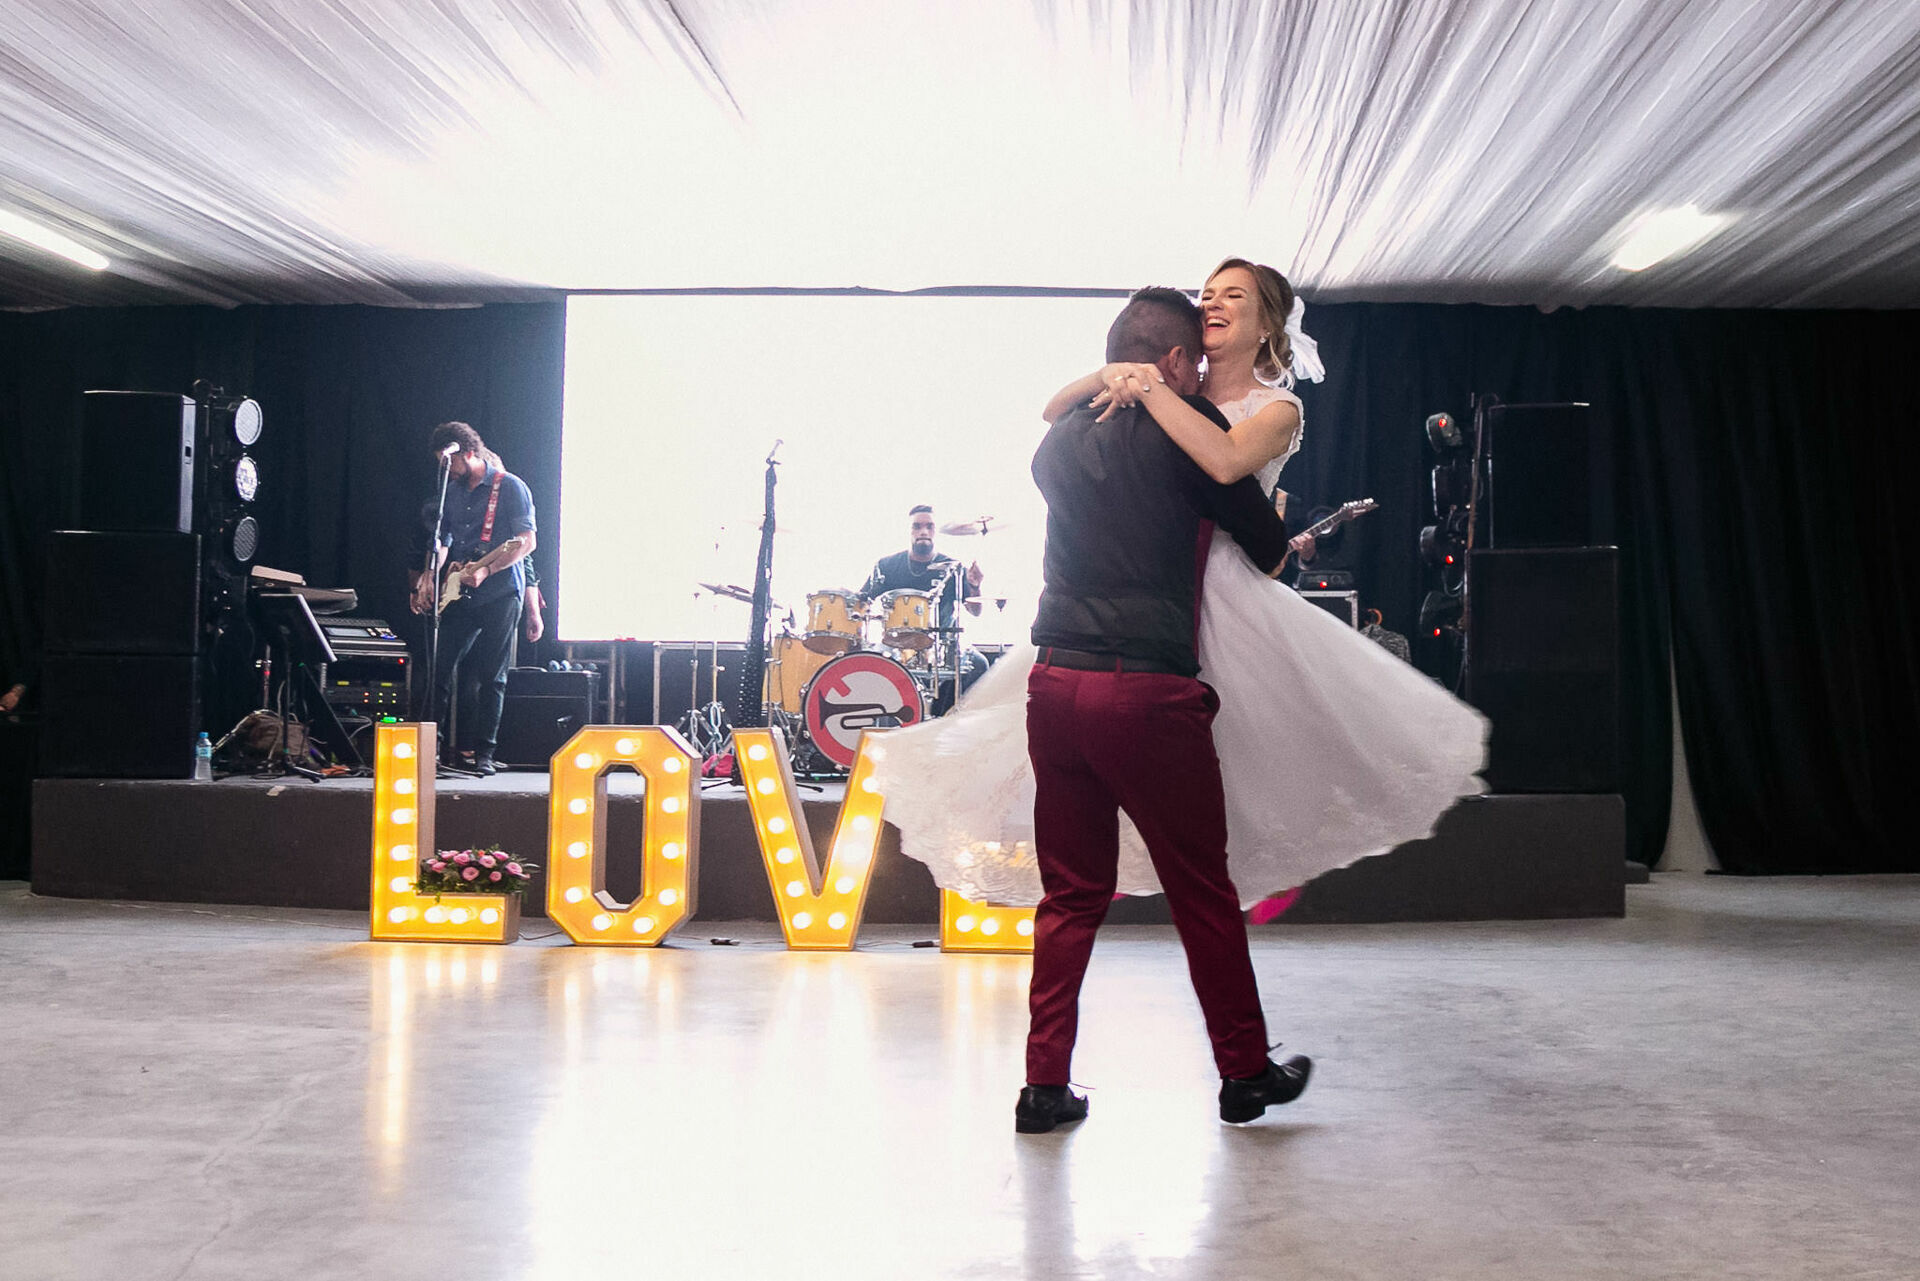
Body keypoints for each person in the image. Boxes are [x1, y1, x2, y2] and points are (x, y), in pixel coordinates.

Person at [869, 258, 1486, 922]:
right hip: (1148, 588)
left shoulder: (1275, 408)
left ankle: (1249, 870)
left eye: (1235, 297)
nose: (1215, 303)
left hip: (1225, 587)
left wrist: (1151, 387)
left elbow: (1222, 463)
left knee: (1251, 751)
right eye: (1209, 294)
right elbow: (1054, 412)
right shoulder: (1148, 386)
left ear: (1265, 325)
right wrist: (1115, 375)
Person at [1014, 286, 1310, 1132]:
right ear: (1175, 364)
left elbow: (1065, 424)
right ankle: (1244, 1071)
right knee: (1201, 893)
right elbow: (1266, 551)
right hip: (1147, 691)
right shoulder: (1196, 441)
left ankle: (1043, 1085)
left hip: (1054, 686)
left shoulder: (1057, 447)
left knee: (1069, 895)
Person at [409, 421, 536, 775]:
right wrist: (429, 575)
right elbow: (443, 540)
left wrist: (487, 570)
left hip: (499, 592)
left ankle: (484, 753)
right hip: (458, 591)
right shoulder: (453, 492)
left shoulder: (510, 487)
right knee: (438, 668)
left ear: (468, 453)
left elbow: (527, 542)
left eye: (448, 462)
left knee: (491, 675)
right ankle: (431, 749)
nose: (445, 470)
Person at [861, 505, 987, 706]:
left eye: (929, 526)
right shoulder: (887, 565)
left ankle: (942, 718)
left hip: (943, 644)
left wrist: (974, 586)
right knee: (870, 662)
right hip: (896, 643)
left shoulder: (953, 567)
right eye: (917, 526)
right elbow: (863, 601)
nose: (923, 531)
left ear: (936, 531)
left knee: (979, 664)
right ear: (909, 531)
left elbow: (975, 610)